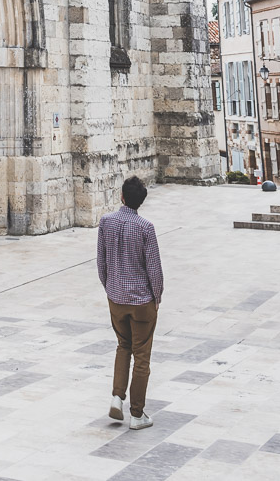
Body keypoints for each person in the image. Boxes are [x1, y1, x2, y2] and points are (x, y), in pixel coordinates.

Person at [96, 175, 163, 431]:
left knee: (123, 346)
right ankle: (137, 414)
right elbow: (154, 269)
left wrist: (110, 288)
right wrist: (157, 297)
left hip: (116, 298)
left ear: (121, 197)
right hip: (141, 301)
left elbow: (101, 262)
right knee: (142, 356)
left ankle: (117, 396)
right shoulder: (146, 228)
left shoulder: (106, 222)